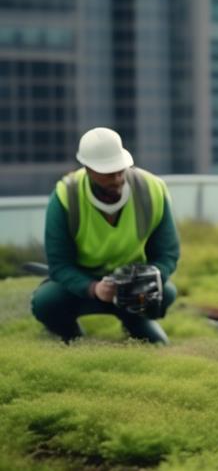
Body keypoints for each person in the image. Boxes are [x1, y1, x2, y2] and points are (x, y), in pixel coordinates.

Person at [31, 127, 180, 344]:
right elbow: (59, 265)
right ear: (88, 169)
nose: (118, 179)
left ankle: (135, 321)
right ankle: (70, 334)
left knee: (166, 292)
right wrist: (93, 288)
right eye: (108, 173)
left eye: (120, 169)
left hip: (133, 283)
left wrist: (146, 279)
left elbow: (167, 254)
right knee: (45, 302)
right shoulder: (65, 196)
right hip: (82, 284)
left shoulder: (152, 190)